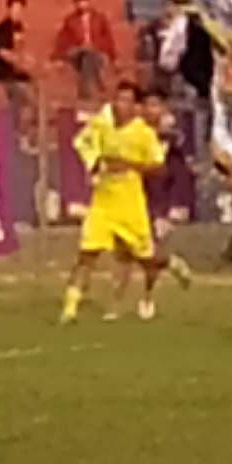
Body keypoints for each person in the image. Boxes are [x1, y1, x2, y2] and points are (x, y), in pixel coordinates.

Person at [62, 84, 177, 324]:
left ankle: (168, 264)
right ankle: (69, 309)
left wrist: (130, 165)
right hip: (102, 202)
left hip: (130, 203)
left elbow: (159, 167)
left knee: (145, 259)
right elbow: (82, 143)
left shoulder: (142, 132)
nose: (120, 105)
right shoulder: (101, 123)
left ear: (134, 106)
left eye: (126, 100)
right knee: (87, 255)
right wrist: (95, 163)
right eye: (118, 99)